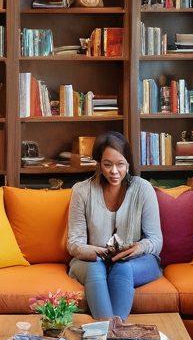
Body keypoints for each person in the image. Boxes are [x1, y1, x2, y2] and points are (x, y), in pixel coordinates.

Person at [67, 131, 163, 319]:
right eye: (107, 164)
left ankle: (109, 331)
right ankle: (113, 330)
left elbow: (156, 240)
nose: (114, 171)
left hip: (135, 261)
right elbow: (74, 243)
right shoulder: (81, 191)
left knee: (123, 267)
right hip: (92, 260)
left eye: (120, 164)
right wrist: (98, 252)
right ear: (98, 163)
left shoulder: (143, 189)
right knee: (96, 267)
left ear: (128, 163)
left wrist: (138, 248)